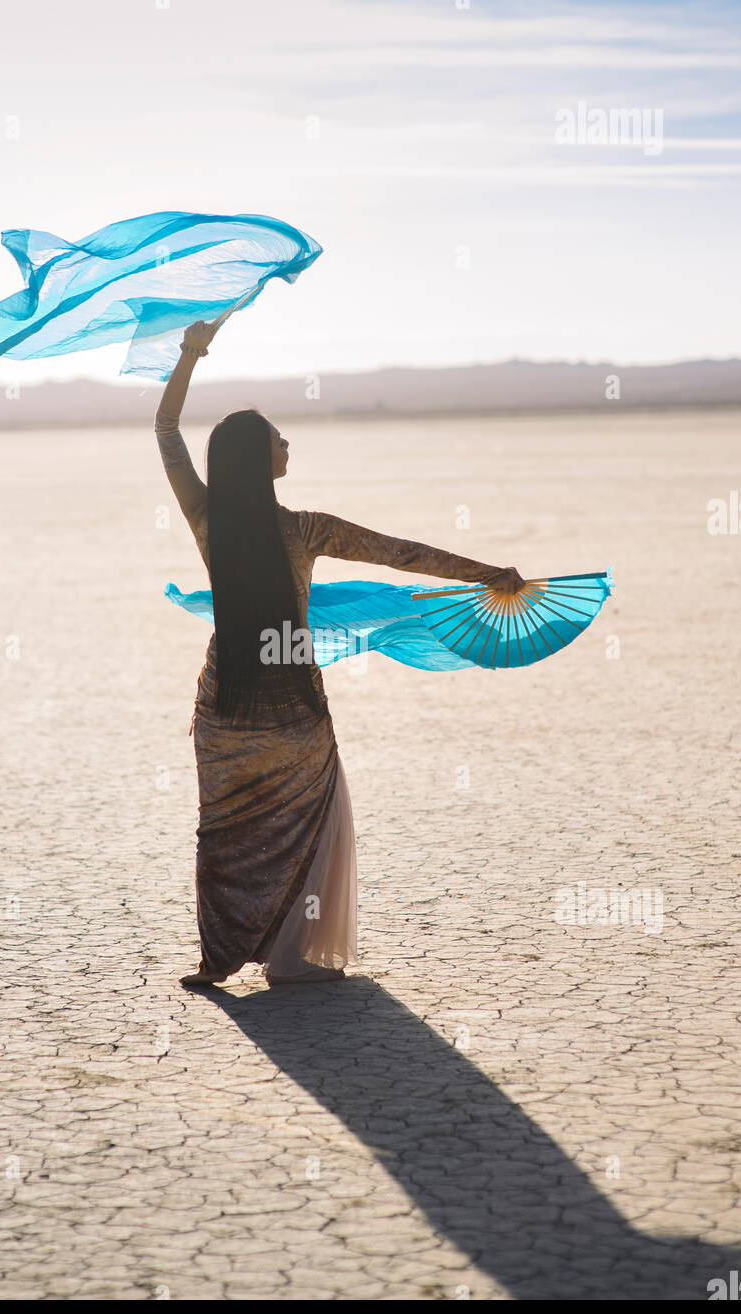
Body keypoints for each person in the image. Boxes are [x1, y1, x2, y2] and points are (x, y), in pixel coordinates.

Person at [155, 320, 524, 988]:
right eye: (277, 439)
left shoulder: (208, 520)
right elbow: (401, 552)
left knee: (224, 834)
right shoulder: (306, 529)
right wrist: (485, 572)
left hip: (226, 701)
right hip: (293, 703)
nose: (287, 443)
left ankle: (218, 959)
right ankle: (288, 951)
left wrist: (190, 352)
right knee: (304, 824)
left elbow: (165, 432)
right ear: (259, 459)